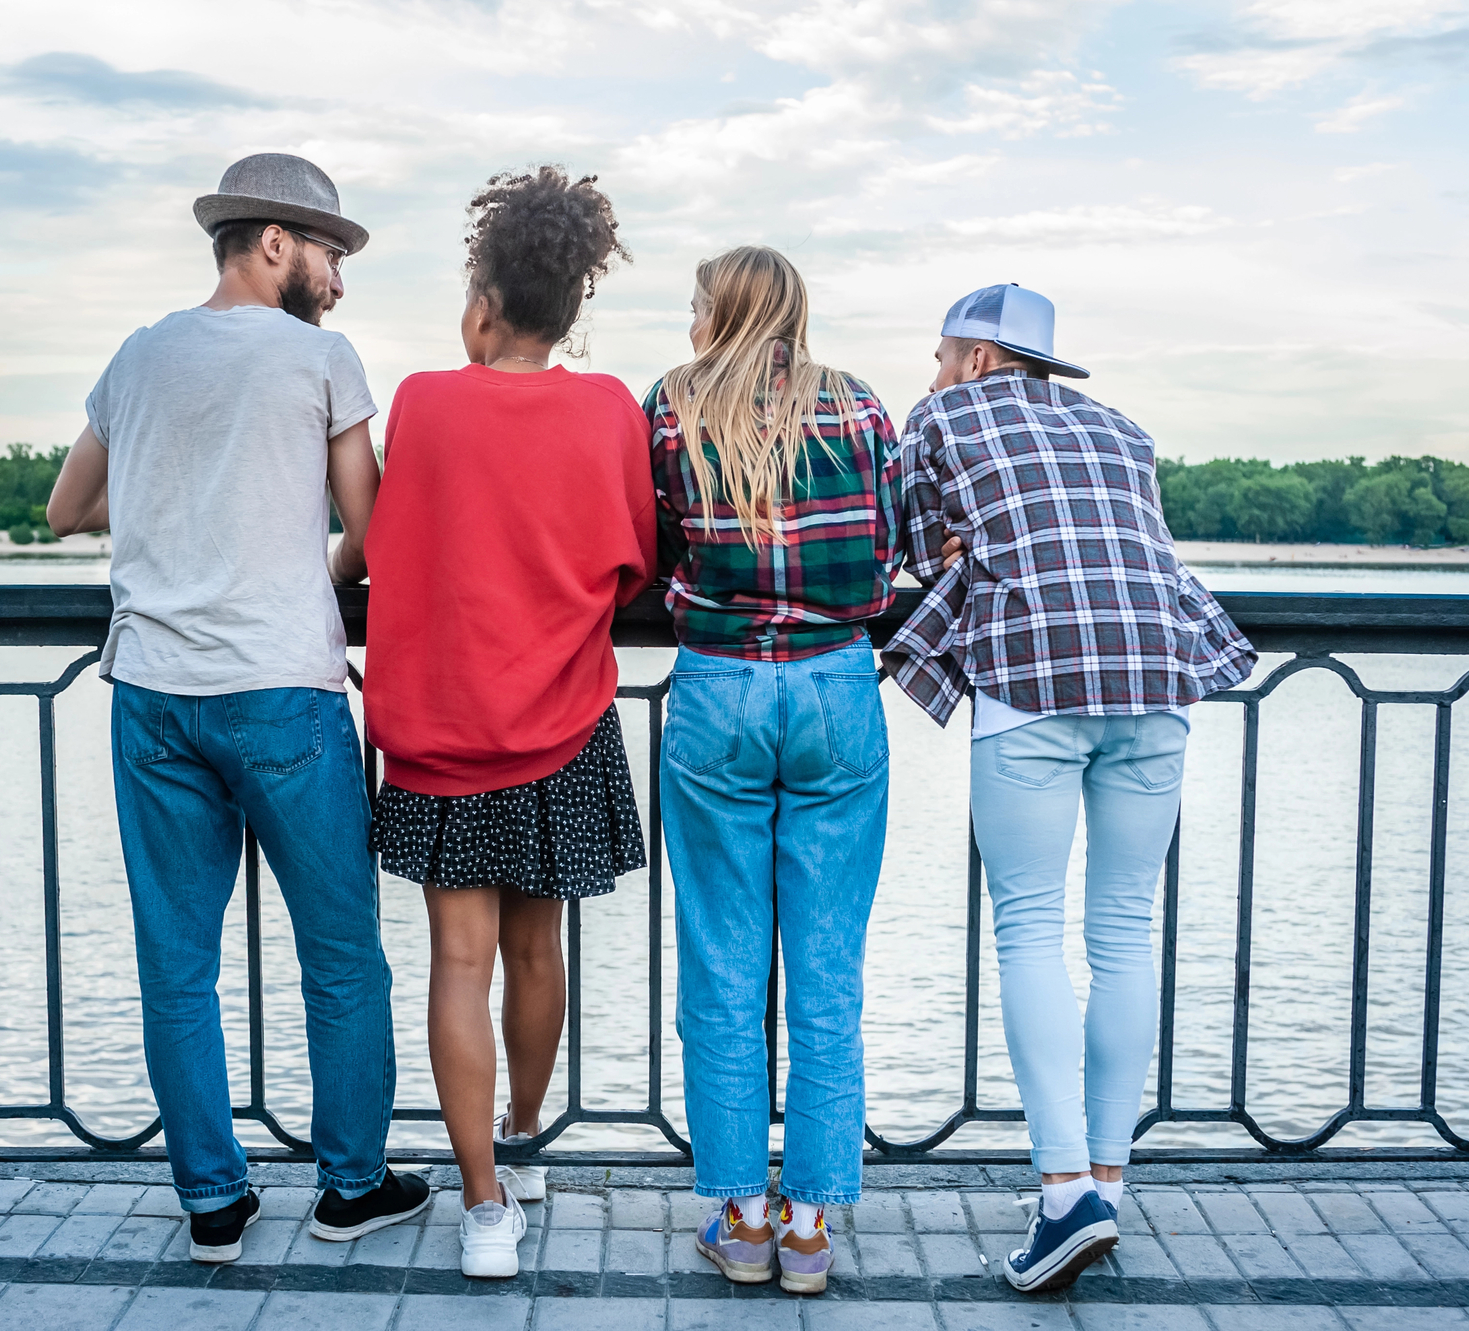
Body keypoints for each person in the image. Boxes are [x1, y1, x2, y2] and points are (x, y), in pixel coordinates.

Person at [45, 153, 429, 1264]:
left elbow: (68, 507)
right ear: (273, 243)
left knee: (177, 960)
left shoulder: (140, 354)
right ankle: (350, 1185)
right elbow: (374, 530)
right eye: (330, 255)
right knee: (342, 954)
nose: (338, 281)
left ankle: (213, 1202)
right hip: (280, 691)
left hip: (153, 695)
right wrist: (316, 561)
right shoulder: (318, 357)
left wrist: (181, 477)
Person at [884, 283, 1256, 1293]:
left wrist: (962, 540)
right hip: (1157, 677)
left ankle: (1059, 1197)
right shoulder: (1120, 427)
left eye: (938, 355)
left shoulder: (942, 416)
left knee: (1027, 926)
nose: (930, 374)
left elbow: (917, 555)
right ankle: (1102, 1181)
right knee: (1123, 929)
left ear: (973, 359)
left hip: (1034, 678)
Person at [361, 167, 655, 1280]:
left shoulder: (427, 399)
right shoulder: (609, 407)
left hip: (441, 734)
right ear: (574, 302)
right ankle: (524, 1140)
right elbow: (634, 556)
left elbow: (388, 535)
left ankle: (482, 1202)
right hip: (563, 725)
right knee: (538, 948)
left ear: (482, 304)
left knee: (456, 959)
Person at [647, 245, 901, 1296]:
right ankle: (807, 1228)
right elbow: (884, 550)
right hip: (836, 688)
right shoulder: (860, 406)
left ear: (720, 310)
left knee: (720, 959)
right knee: (826, 964)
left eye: (697, 301)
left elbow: (649, 543)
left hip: (718, 692)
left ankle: (738, 1215)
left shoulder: (671, 407)